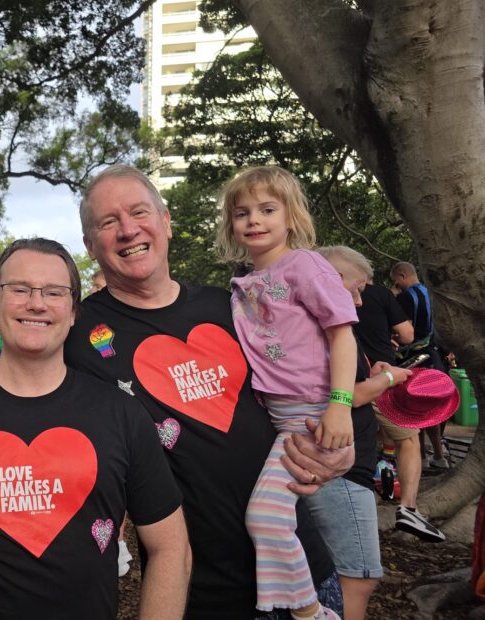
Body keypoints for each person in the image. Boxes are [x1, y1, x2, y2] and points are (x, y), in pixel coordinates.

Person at [0, 164, 352, 618]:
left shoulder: (235, 306)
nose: (128, 230)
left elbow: (314, 373)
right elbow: (19, 378)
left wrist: (335, 444)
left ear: (165, 221)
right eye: (108, 222)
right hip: (198, 592)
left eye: (139, 212)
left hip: (301, 569)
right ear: (90, 245)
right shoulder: (77, 333)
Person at [0, 239, 190, 618]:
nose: (37, 303)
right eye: (20, 289)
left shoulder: (122, 414)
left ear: (74, 310)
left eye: (54, 292)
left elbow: (171, 547)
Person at [216, 166, 357, 619]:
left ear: (291, 215)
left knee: (267, 518)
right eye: (243, 213)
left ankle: (311, 613)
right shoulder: (242, 285)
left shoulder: (305, 265)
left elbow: (342, 335)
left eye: (267, 209)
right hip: (277, 417)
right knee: (276, 516)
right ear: (231, 225)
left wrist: (340, 406)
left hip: (310, 414)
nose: (254, 220)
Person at [309, 246, 414, 620]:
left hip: (345, 464)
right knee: (358, 576)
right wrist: (388, 378)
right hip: (339, 470)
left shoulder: (334, 332)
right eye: (354, 290)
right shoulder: (324, 332)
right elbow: (341, 396)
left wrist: (374, 375)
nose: (358, 302)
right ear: (329, 282)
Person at [350, 255, 443, 541]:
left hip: (343, 379)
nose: (358, 299)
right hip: (377, 377)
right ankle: (408, 508)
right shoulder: (380, 295)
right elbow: (407, 334)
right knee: (408, 438)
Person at [390, 261, 450, 469]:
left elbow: (404, 332)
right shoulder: (429, 292)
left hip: (413, 358)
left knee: (415, 408)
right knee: (431, 408)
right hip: (434, 356)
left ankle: (422, 456)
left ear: (403, 275)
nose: (397, 285)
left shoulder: (408, 297)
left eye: (396, 280)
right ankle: (439, 455)